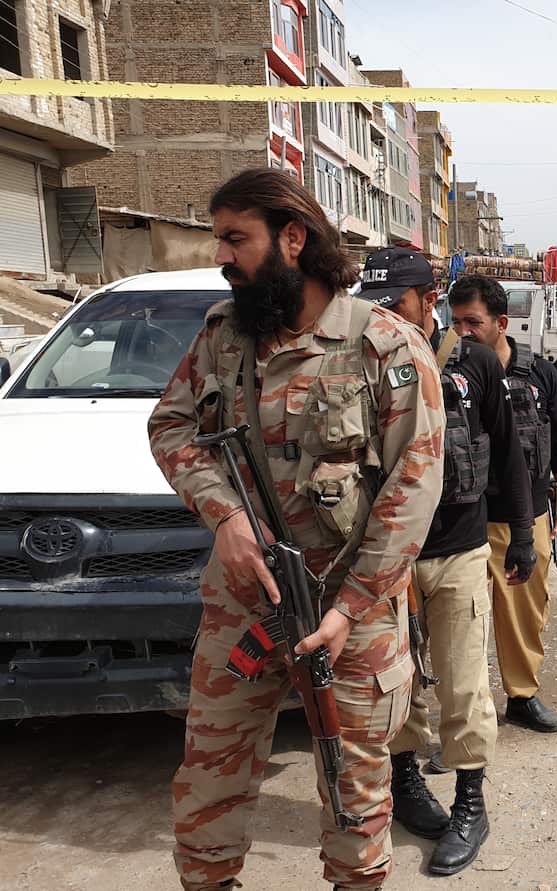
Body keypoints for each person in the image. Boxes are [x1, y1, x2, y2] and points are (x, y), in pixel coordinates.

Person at [148, 168, 446, 891]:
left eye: (234, 238)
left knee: (354, 808)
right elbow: (171, 427)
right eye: (221, 238)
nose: (222, 254)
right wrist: (225, 518)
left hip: (352, 612)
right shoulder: (224, 335)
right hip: (245, 604)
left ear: (292, 237)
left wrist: (347, 609)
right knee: (206, 800)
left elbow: (414, 488)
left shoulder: (386, 346)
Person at [357, 249, 536, 876]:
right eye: (371, 303)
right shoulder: (358, 363)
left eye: (395, 304)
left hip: (457, 549)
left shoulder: (475, 363)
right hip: (385, 560)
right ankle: (406, 783)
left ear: (426, 302)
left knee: (464, 681)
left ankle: (469, 803)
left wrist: (521, 535)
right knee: (395, 683)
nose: (381, 316)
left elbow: (509, 454)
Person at [449, 276, 557, 734]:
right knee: (461, 624)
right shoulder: (445, 376)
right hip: (464, 520)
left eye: (474, 323)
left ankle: (522, 696)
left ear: (501, 323)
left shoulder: (540, 375)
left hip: (524, 518)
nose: (463, 332)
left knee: (524, 616)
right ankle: (466, 716)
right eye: (455, 321)